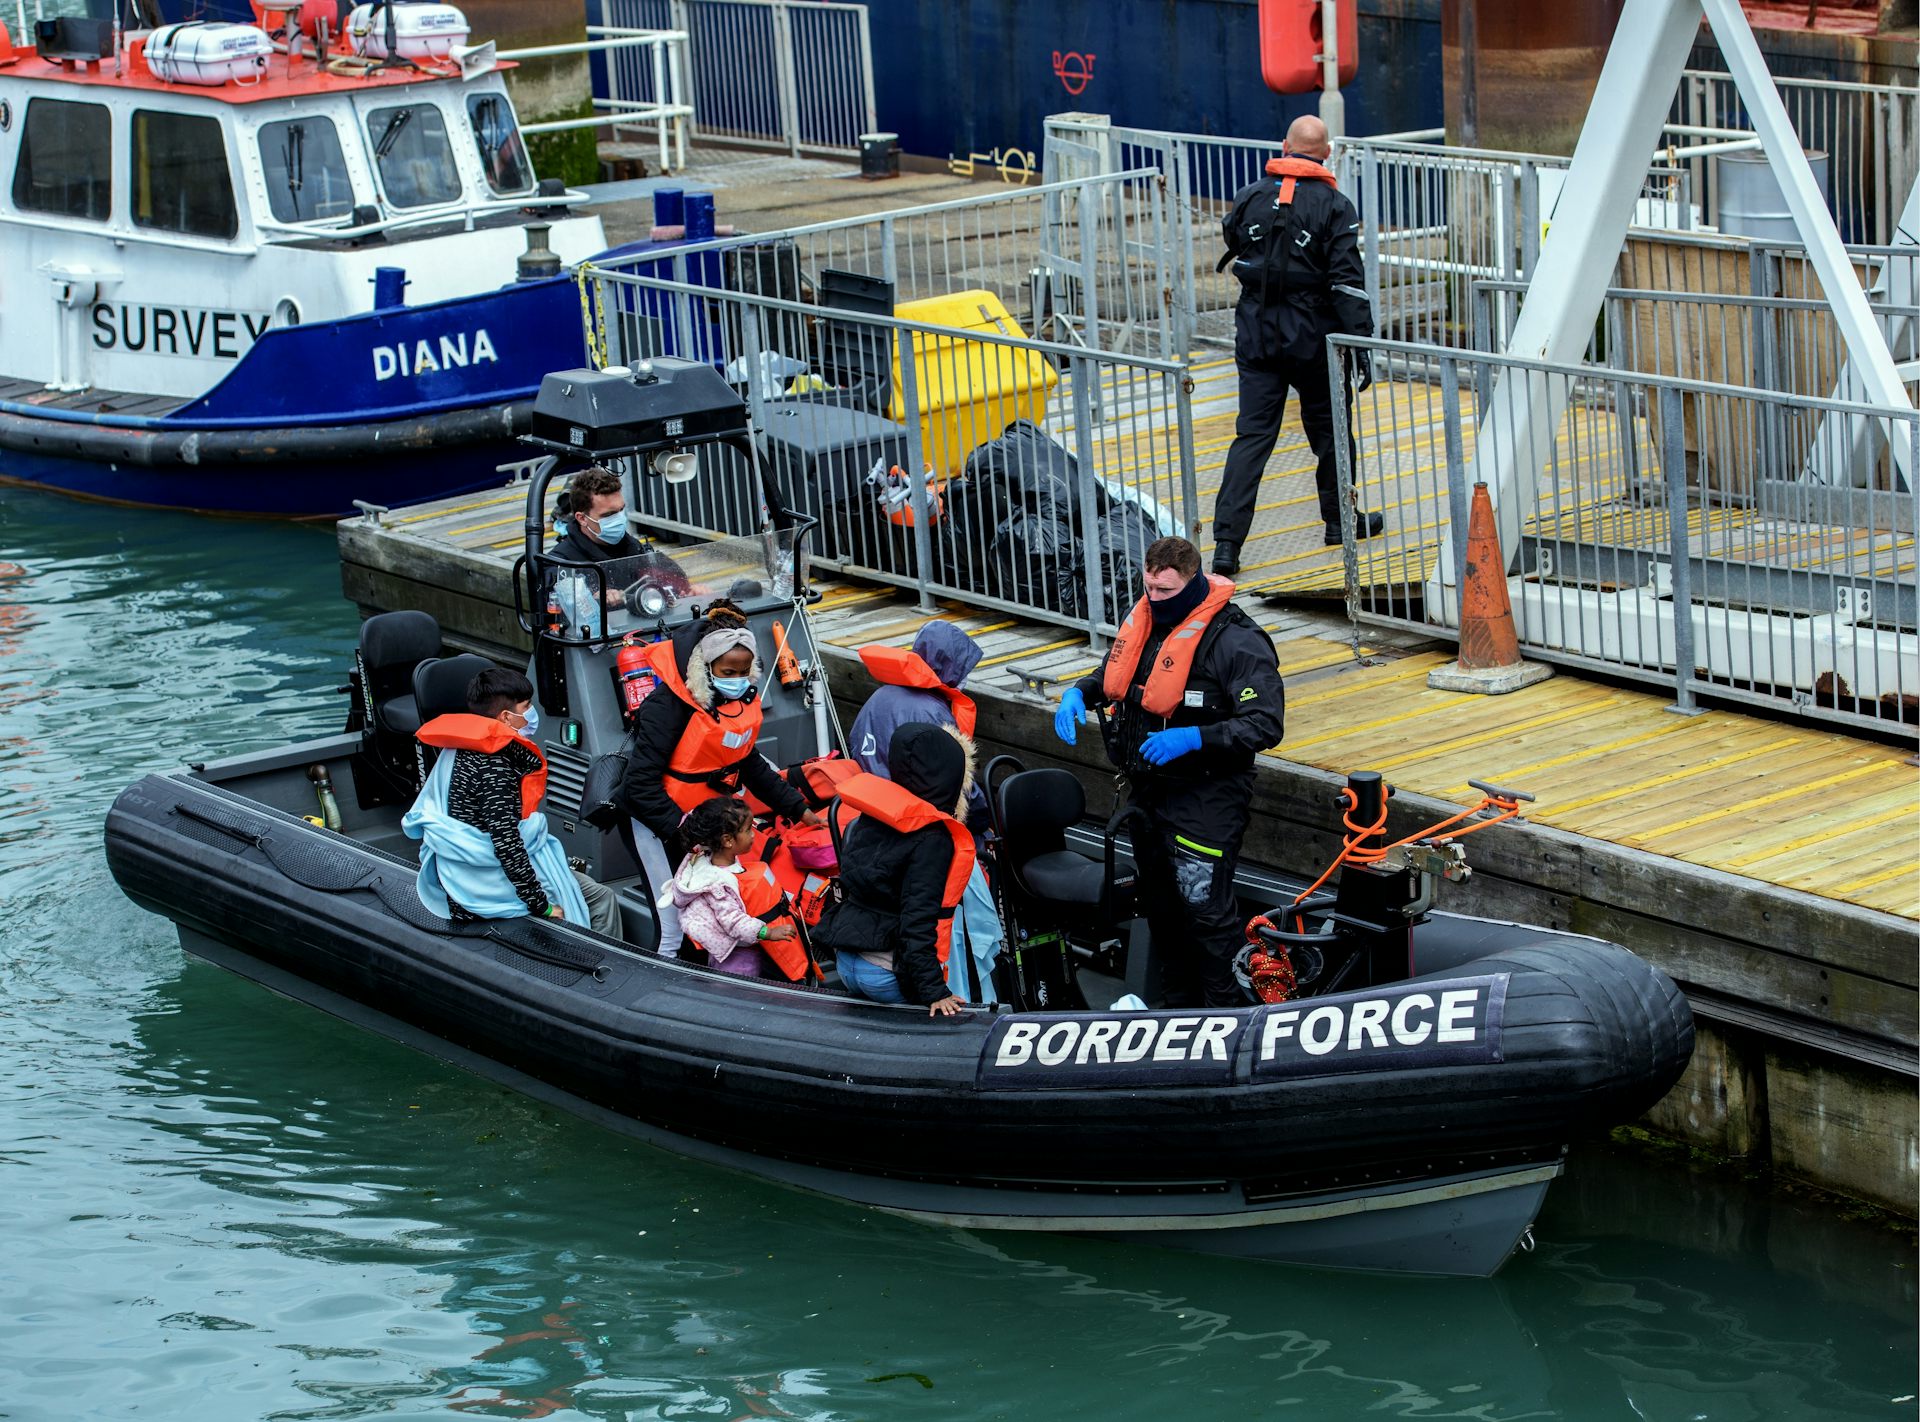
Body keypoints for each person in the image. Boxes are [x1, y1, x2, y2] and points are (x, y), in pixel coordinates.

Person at [1052, 537, 1284, 1008]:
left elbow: (1265, 723)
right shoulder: (1145, 622)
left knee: (1207, 913)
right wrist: (1080, 691)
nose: (1155, 599)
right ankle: (1176, 1013)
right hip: (1147, 795)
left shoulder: (1236, 641)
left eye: (1166, 591)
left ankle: (1227, 1019)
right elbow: (1114, 675)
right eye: (1149, 588)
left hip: (1206, 796)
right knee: (1162, 912)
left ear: (1193, 582)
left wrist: (1196, 737)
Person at [1212, 113, 1381, 576]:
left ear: (1284, 147)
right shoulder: (1335, 206)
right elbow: (1347, 284)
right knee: (1331, 432)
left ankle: (1226, 545)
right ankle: (1340, 521)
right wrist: (1360, 345)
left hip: (1256, 333)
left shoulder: (1250, 195)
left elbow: (1232, 235)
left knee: (1252, 436)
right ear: (1327, 154)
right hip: (1312, 336)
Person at [617, 601, 820, 957]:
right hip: (657, 823)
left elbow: (750, 764)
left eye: (744, 671)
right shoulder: (667, 707)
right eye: (728, 672)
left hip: (706, 824)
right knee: (672, 925)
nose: (737, 679)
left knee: (712, 914)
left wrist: (799, 808)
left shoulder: (735, 701)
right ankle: (661, 977)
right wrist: (684, 834)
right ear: (705, 667)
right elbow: (639, 786)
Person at [845, 623, 1002, 1002]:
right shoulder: (932, 712)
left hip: (878, 823)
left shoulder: (879, 698)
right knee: (938, 919)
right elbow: (960, 785)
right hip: (924, 828)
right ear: (951, 668)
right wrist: (984, 826)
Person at [404, 666, 622, 936]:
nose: (532, 712)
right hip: (486, 879)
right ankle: (599, 957)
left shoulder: (457, 749)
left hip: (458, 869)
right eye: (527, 706)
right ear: (507, 717)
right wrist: (542, 905)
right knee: (601, 899)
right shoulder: (495, 769)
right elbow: (506, 843)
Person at [817, 722, 974, 1017]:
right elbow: (917, 921)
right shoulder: (933, 840)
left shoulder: (874, 814)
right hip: (883, 975)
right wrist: (934, 991)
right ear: (949, 776)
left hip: (847, 964)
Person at [661, 796, 799, 978]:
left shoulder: (715, 859)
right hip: (737, 960)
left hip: (743, 949)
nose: (753, 835)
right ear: (727, 841)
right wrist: (768, 932)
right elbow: (733, 921)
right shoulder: (718, 884)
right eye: (748, 830)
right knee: (738, 992)